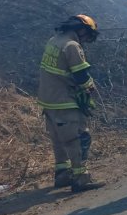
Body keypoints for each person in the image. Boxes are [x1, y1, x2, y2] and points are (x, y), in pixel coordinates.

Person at [37, 14, 105, 192]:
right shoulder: (72, 46)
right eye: (88, 37)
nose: (87, 41)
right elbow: (81, 76)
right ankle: (80, 177)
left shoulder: (54, 40)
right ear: (82, 30)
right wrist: (90, 88)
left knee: (59, 139)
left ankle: (62, 174)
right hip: (65, 101)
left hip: (49, 100)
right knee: (79, 138)